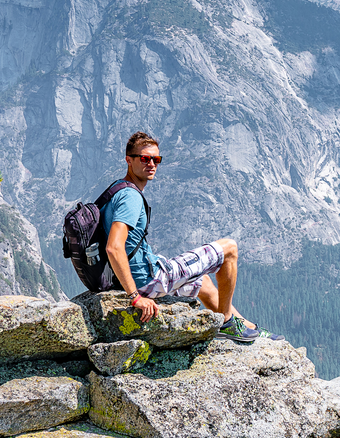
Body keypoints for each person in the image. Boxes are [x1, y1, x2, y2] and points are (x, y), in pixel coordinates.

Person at [101, 130, 264, 344]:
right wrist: (135, 297)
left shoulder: (116, 189)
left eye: (156, 159)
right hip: (150, 280)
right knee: (230, 248)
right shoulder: (130, 197)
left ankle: (247, 327)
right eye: (144, 158)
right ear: (129, 160)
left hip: (142, 276)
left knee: (203, 282)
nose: (151, 164)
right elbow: (114, 247)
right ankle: (226, 322)